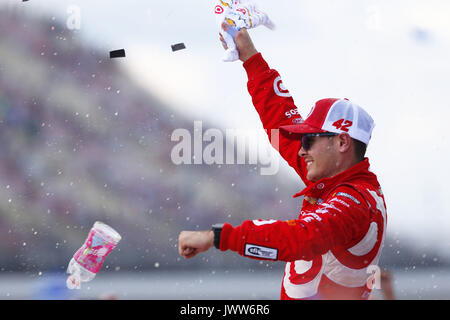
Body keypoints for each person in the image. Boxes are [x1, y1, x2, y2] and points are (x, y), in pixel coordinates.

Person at [178, 26, 387, 300]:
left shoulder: (355, 201)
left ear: (342, 143)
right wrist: (250, 57)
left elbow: (300, 238)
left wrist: (217, 237)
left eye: (309, 140)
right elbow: (280, 123)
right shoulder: (331, 180)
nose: (301, 151)